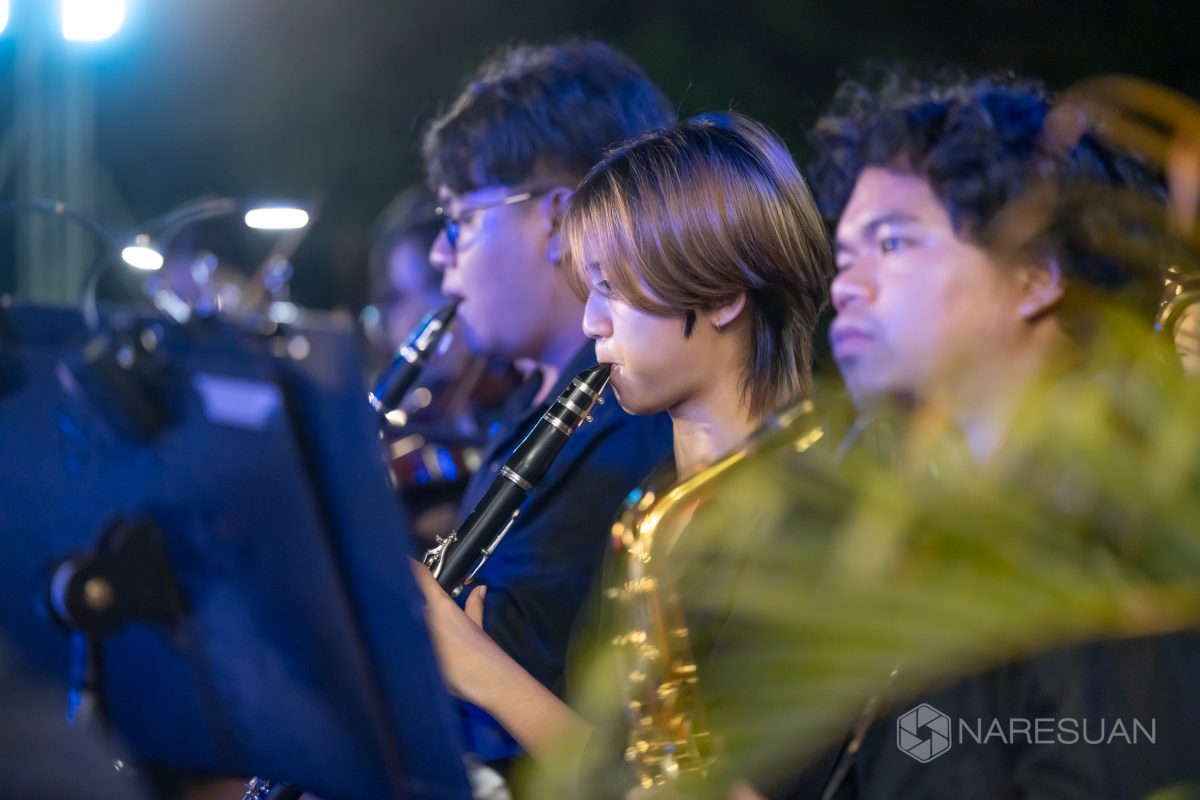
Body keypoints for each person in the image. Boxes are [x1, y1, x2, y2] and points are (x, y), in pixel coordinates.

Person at [673, 70, 1200, 799]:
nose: (845, 287)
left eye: (893, 242)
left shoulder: (1112, 536)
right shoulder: (924, 522)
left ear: (1034, 276)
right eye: (847, 257)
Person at [414, 110, 834, 791]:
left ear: (723, 293)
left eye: (611, 288)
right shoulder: (650, 505)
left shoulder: (810, 523)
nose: (591, 322)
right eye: (590, 290)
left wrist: (483, 672)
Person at [419, 39, 678, 770]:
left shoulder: (629, 429)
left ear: (557, 219)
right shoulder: (523, 410)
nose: (441, 253)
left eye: (460, 219)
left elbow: (520, 679)